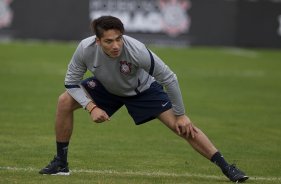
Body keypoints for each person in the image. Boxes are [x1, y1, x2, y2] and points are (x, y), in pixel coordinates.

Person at [39, 15, 248, 183]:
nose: (116, 45)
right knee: (64, 101)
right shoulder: (85, 49)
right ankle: (61, 163)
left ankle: (228, 168)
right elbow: (71, 82)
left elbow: (169, 78)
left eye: (119, 39)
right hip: (107, 87)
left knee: (181, 126)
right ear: (97, 41)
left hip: (143, 91)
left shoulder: (136, 50)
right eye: (109, 41)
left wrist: (181, 114)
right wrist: (91, 107)